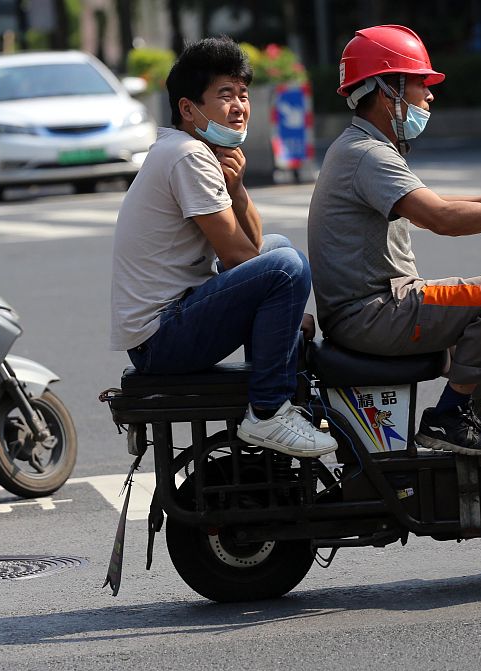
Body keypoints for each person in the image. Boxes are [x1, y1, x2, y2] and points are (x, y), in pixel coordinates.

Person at [306, 25, 481, 455]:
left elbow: (443, 201)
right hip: (374, 314)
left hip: (374, 309)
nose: (429, 96)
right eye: (419, 84)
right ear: (386, 91)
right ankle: (449, 416)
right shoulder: (367, 155)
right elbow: (442, 218)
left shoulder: (364, 147)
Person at [110, 36, 336, 458]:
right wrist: (287, 314)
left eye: (243, 94)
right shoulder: (187, 155)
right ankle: (269, 411)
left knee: (278, 249)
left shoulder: (196, 152)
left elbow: (250, 245)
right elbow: (237, 257)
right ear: (188, 108)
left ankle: (273, 396)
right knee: (286, 266)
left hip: (169, 324)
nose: (239, 106)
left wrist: (237, 187)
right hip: (161, 339)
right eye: (225, 94)